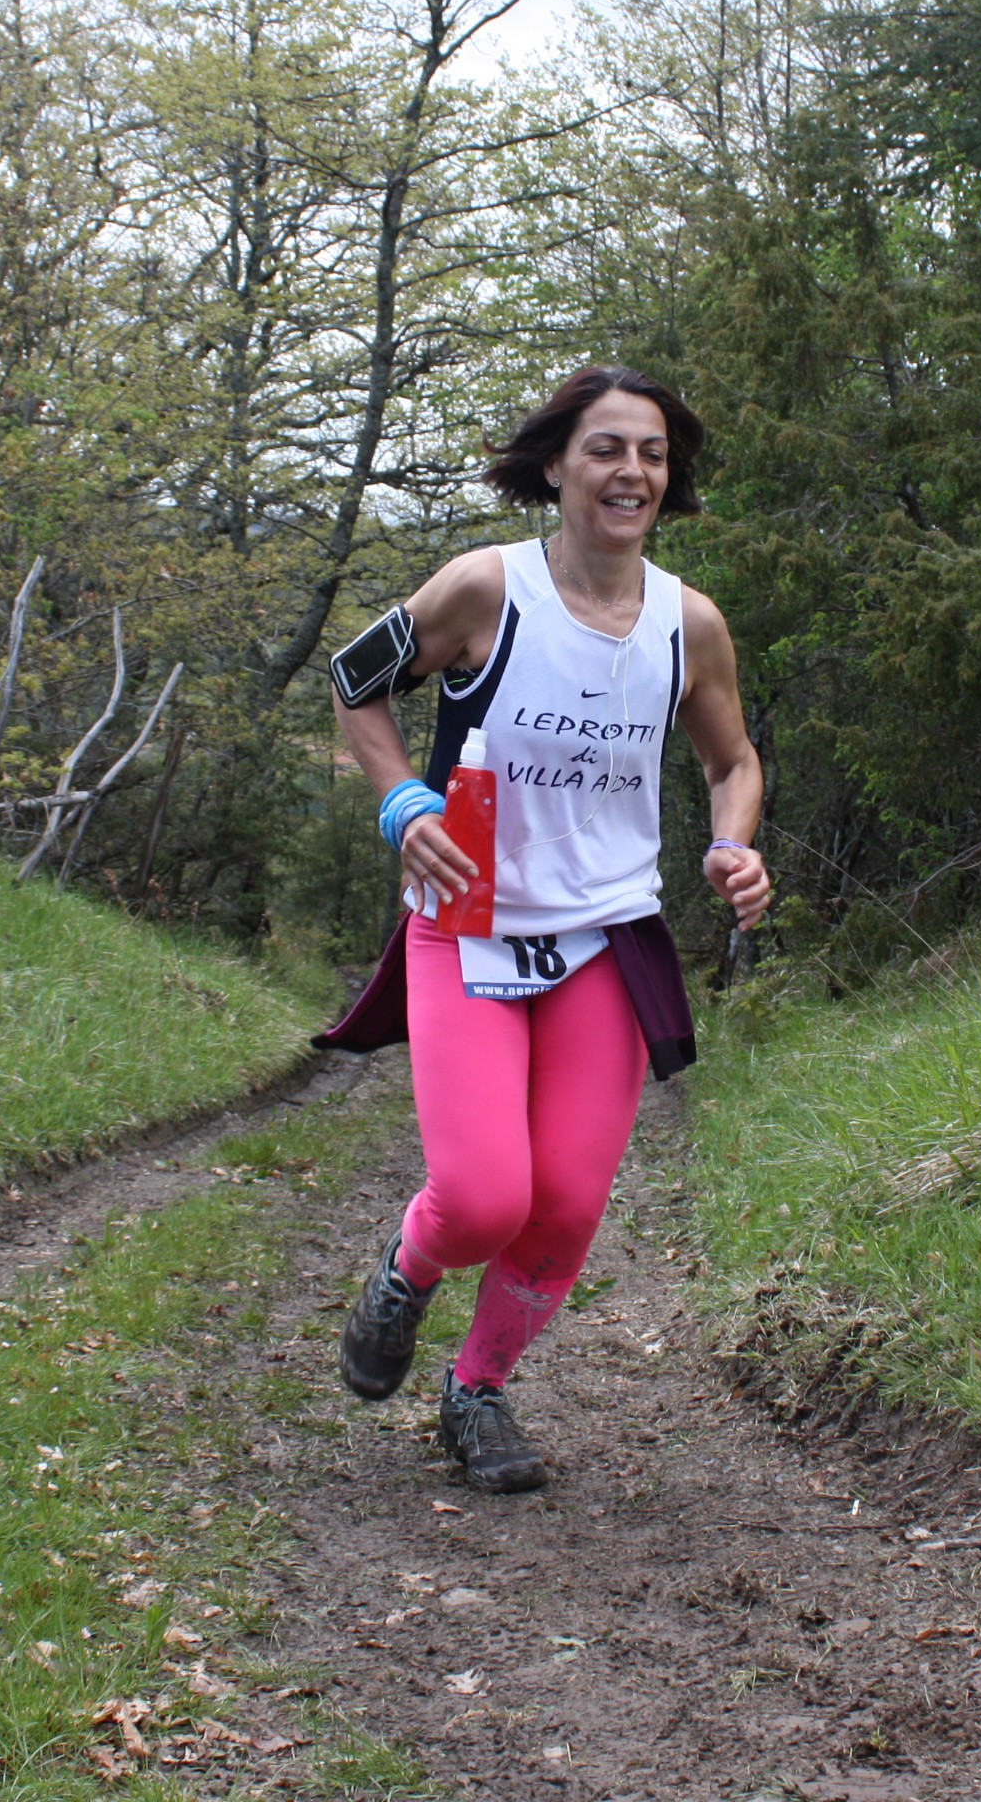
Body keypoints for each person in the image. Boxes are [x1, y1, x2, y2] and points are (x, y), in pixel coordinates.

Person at [313, 365, 771, 1492]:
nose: (631, 473)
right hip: (466, 915)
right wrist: (401, 800)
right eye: (607, 449)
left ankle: (476, 1392)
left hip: (607, 934)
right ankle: (407, 1271)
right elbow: (352, 680)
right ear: (557, 464)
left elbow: (733, 761)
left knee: (564, 1205)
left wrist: (734, 841)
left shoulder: (687, 624)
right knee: (480, 1198)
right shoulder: (484, 588)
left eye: (653, 455)